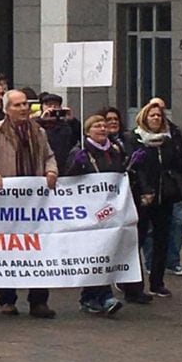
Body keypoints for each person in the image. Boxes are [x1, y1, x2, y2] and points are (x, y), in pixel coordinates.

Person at [0, 89, 58, 318]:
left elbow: (49, 156)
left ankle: (39, 300)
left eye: (25, 104)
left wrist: (51, 171)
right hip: (6, 203)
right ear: (6, 109)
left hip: (35, 203)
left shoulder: (38, 131)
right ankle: (7, 298)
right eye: (18, 105)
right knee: (7, 248)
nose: (24, 109)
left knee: (38, 249)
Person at [64, 115, 128, 317]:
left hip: (110, 209)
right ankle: (98, 296)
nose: (102, 129)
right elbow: (68, 179)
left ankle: (98, 296)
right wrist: (76, 165)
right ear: (87, 131)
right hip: (89, 210)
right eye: (96, 126)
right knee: (94, 252)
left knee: (107, 251)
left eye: (104, 125)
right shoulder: (79, 151)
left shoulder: (114, 150)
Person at [124, 100, 182, 300]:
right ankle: (134, 286)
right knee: (139, 239)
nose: (156, 119)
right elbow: (134, 166)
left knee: (162, 240)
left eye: (159, 116)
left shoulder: (168, 141)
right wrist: (144, 190)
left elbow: (178, 163)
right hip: (142, 198)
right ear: (144, 117)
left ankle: (157, 282)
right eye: (152, 115)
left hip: (165, 196)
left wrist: (176, 181)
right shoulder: (134, 139)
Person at [143, 97, 182, 277]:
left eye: (160, 112)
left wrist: (180, 178)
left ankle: (173, 261)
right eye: (153, 113)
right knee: (150, 230)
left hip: (172, 188)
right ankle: (151, 263)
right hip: (151, 190)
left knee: (176, 225)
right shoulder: (137, 137)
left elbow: (180, 157)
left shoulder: (173, 133)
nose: (157, 116)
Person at [33, 92, 80, 171]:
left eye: (55, 105)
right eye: (49, 105)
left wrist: (72, 121)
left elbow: (78, 137)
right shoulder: (35, 122)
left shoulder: (66, 124)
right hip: (42, 163)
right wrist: (42, 120)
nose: (52, 108)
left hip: (63, 163)